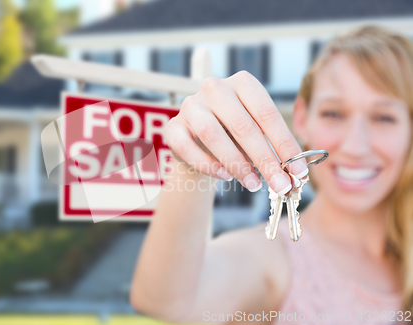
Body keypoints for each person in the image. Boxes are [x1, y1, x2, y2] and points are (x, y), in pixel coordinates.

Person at [129, 25, 413, 324]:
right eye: (333, 113)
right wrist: (194, 163)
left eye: (384, 117)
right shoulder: (273, 260)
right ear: (302, 119)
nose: (356, 146)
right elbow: (166, 302)